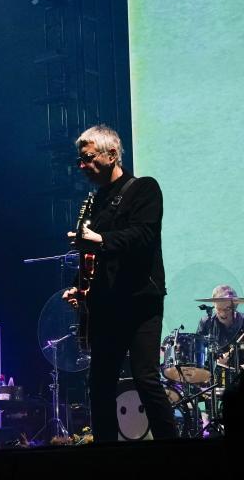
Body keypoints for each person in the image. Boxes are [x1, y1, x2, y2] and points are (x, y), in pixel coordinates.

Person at [62, 125, 177, 441]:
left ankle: (176, 454)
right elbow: (92, 255)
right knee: (99, 384)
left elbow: (143, 234)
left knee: (145, 378)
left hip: (141, 300)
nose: (82, 166)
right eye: (80, 160)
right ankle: (107, 457)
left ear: (111, 154)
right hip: (106, 304)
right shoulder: (95, 201)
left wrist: (101, 239)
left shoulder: (144, 189)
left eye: (88, 158)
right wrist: (79, 286)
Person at [198, 285, 244, 366]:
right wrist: (215, 362)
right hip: (213, 375)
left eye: (227, 309)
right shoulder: (206, 323)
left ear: (235, 307)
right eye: (219, 309)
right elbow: (198, 351)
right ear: (214, 306)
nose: (223, 313)